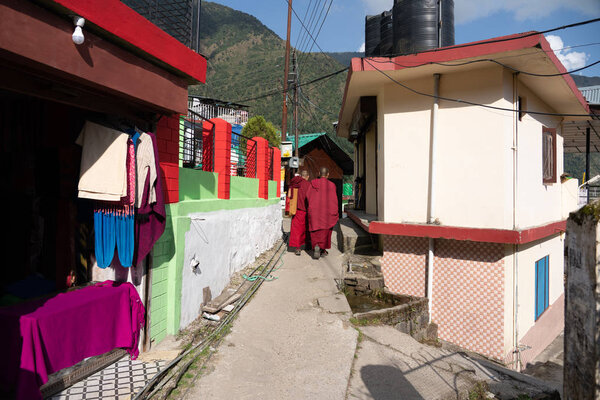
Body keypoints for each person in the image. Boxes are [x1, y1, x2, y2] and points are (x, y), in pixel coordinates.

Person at [307, 167, 339, 259]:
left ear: (319, 173)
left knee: (315, 230)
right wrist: (334, 212)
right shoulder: (332, 185)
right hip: (327, 213)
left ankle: (316, 245)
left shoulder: (312, 183)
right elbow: (334, 200)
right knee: (325, 231)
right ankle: (322, 249)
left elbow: (308, 196)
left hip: (315, 212)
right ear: (328, 174)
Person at [288, 170, 311, 255]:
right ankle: (307, 245)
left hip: (296, 210)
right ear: (307, 176)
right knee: (306, 229)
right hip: (306, 210)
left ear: (301, 176)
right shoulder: (309, 185)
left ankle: (297, 248)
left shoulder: (296, 183)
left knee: (297, 230)